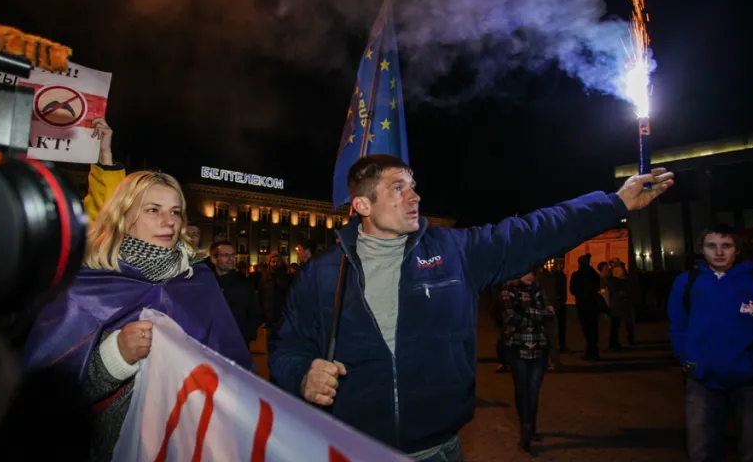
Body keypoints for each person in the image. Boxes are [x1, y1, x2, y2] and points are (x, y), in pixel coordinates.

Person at [269, 154, 673, 460]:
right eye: (398, 188)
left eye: (413, 185)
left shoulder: (453, 251)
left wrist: (613, 204)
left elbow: (534, 231)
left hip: (438, 450)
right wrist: (302, 374)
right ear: (362, 206)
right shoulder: (323, 273)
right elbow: (286, 347)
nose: (415, 196)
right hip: (351, 449)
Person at [21, 171, 253, 462]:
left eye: (175, 212)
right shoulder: (88, 282)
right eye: (153, 210)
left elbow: (232, 369)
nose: (169, 222)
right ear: (124, 215)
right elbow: (47, 396)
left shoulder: (198, 280)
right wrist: (114, 358)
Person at [669, 224, 753, 462]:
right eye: (712, 246)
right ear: (702, 249)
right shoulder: (686, 283)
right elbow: (678, 325)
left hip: (752, 384)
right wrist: (688, 359)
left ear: (736, 249)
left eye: (726, 246)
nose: (719, 252)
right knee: (702, 452)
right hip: (703, 382)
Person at [501, 272, 554, 453]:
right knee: (522, 389)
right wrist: (537, 316)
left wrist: (527, 312)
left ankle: (530, 428)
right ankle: (526, 430)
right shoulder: (508, 291)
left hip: (539, 346)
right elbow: (510, 317)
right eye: (526, 272)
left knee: (534, 390)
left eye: (532, 272)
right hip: (517, 347)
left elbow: (550, 312)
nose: (530, 275)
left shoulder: (538, 290)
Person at [209, 241, 263, 347]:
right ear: (214, 259)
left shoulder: (244, 283)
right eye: (225, 255)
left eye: (233, 255)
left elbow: (255, 312)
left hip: (237, 344)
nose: (231, 259)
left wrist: (245, 335)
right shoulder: (206, 282)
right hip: (209, 344)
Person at [571, 254, 602, 360]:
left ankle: (590, 350)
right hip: (593, 303)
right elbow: (598, 286)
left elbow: (572, 290)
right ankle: (593, 350)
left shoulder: (576, 275)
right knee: (593, 326)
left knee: (586, 327)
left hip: (582, 304)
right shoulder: (594, 274)